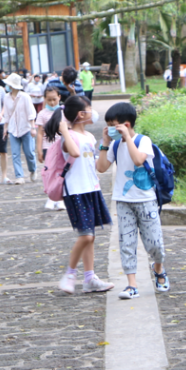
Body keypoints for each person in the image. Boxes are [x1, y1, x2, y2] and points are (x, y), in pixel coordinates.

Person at [97, 102, 169, 298]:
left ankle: (158, 268)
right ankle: (132, 285)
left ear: (126, 124)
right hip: (123, 200)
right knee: (127, 243)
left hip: (146, 199)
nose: (110, 129)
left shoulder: (143, 140)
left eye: (112, 125)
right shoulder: (114, 144)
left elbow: (138, 160)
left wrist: (128, 138)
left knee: (155, 243)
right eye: (108, 125)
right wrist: (105, 143)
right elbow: (101, 167)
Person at [48, 95, 114, 295]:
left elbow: (95, 164)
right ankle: (70, 274)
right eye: (89, 108)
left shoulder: (90, 137)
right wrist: (64, 130)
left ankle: (89, 278)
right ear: (81, 114)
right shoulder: (68, 137)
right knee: (86, 235)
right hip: (75, 190)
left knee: (90, 236)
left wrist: (105, 142)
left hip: (91, 188)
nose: (92, 112)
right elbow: (75, 153)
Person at [2, 73, 37, 184]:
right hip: (13, 129)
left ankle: (33, 169)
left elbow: (30, 113)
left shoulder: (25, 97)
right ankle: (19, 176)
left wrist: (33, 128)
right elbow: (7, 114)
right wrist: (5, 129)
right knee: (15, 154)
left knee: (29, 153)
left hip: (26, 128)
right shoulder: (6, 97)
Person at [35, 88, 65, 211]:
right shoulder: (42, 114)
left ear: (59, 97)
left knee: (61, 172)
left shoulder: (64, 112)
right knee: (50, 172)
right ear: (45, 99)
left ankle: (60, 198)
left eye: (54, 99)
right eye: (49, 100)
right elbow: (40, 133)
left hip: (62, 146)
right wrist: (39, 150)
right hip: (48, 147)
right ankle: (51, 197)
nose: (52, 102)